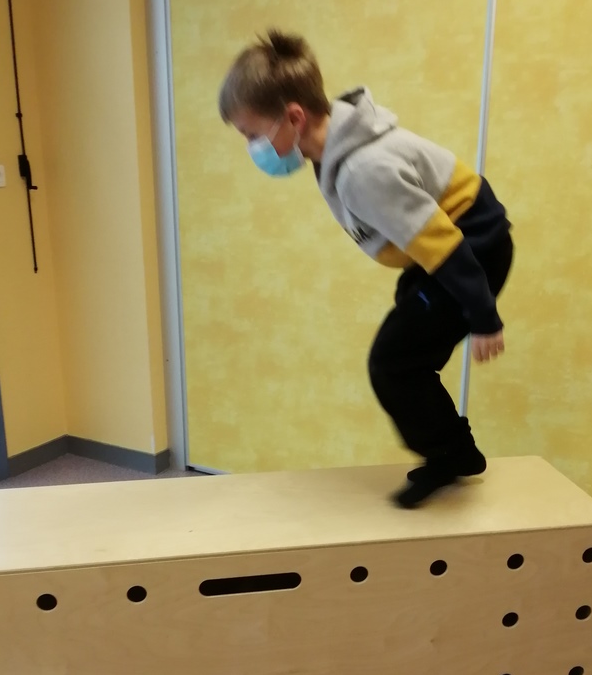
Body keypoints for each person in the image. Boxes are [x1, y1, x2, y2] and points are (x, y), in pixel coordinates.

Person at [219, 30, 513, 507]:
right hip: (450, 247)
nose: (252, 146)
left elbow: (445, 245)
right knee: (409, 346)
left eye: (252, 135)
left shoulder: (362, 170)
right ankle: (452, 446)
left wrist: (484, 317)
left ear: (294, 117)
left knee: (392, 363)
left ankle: (453, 455)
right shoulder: (336, 147)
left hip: (472, 249)